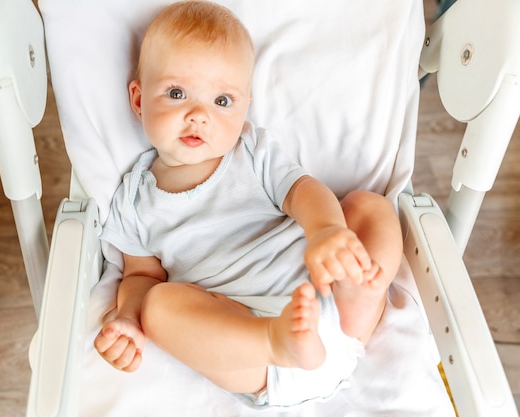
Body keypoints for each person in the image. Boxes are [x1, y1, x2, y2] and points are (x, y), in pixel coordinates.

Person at [94, 0, 403, 407]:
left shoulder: (251, 152)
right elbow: (140, 276)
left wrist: (326, 230)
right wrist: (128, 318)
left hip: (329, 301)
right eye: (176, 93)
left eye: (222, 101)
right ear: (138, 100)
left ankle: (362, 293)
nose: (198, 115)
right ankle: (276, 340)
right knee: (159, 306)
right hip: (250, 347)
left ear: (244, 110)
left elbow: (302, 191)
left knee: (369, 207)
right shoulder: (133, 199)